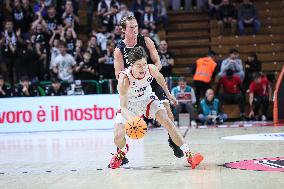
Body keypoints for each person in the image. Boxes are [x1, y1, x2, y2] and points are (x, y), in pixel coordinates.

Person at [110, 47, 203, 169]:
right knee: (117, 136)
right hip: (129, 105)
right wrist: (132, 119)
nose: (143, 68)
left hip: (147, 99)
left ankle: (189, 155)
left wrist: (169, 94)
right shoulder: (124, 79)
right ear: (132, 64)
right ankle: (121, 152)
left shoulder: (150, 69)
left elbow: (160, 78)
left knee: (167, 121)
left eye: (144, 64)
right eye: (139, 65)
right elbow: (123, 107)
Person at [114, 15, 184, 159]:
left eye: (136, 26)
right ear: (123, 30)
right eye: (131, 27)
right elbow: (118, 74)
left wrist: (148, 74)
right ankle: (121, 153)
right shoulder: (119, 49)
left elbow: (158, 62)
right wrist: (133, 78)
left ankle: (174, 142)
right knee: (123, 122)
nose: (135, 30)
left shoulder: (146, 40)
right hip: (132, 85)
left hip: (150, 79)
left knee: (168, 113)